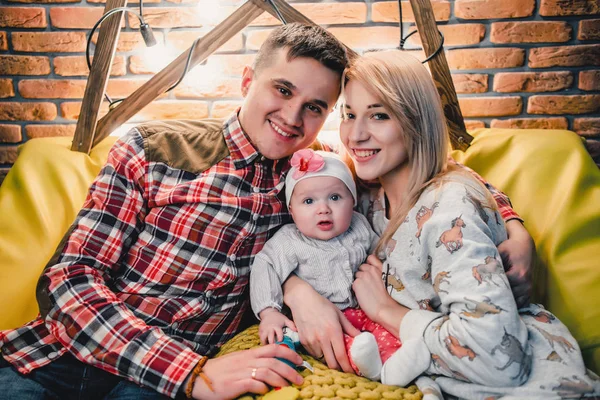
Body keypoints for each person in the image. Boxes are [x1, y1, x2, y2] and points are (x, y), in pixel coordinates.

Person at [0, 22, 534, 400]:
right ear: (245, 84)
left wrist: (511, 221)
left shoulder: (318, 177)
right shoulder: (150, 147)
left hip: (159, 385)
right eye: (282, 90)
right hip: (55, 358)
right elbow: (68, 279)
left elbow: (424, 167)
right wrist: (193, 374)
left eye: (316, 107)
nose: (292, 117)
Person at [287, 50, 600, 399]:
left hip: (531, 383)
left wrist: (386, 311)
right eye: (349, 114)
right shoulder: (356, 190)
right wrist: (295, 288)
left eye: (378, 115)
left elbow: (500, 362)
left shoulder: (451, 207)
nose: (355, 134)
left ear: (416, 122)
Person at [250, 149, 400, 380]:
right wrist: (268, 311)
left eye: (335, 197)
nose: (323, 209)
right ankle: (372, 368)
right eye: (308, 201)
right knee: (329, 342)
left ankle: (402, 365)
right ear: (292, 210)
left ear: (352, 202)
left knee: (386, 334)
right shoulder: (290, 240)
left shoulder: (359, 226)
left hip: (363, 311)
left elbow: (379, 254)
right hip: (321, 321)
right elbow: (265, 266)